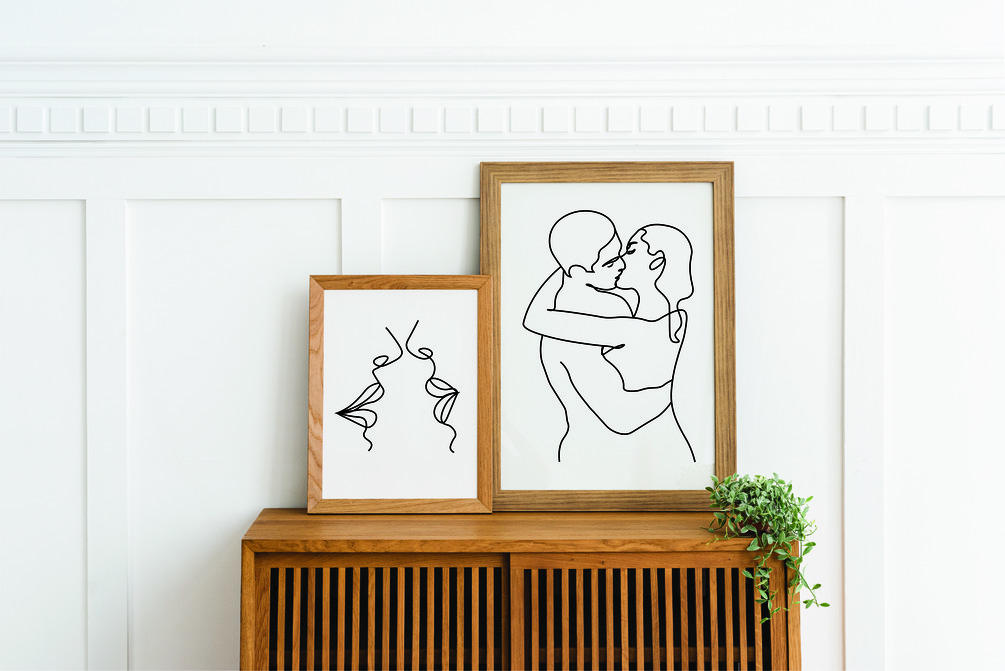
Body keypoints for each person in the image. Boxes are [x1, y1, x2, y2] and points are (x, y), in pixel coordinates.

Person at [524, 223, 695, 461]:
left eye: (630, 251)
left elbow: (536, 319)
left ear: (657, 262)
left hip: (627, 456)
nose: (621, 261)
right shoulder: (677, 320)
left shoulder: (631, 328)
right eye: (614, 257)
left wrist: (571, 266)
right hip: (641, 453)